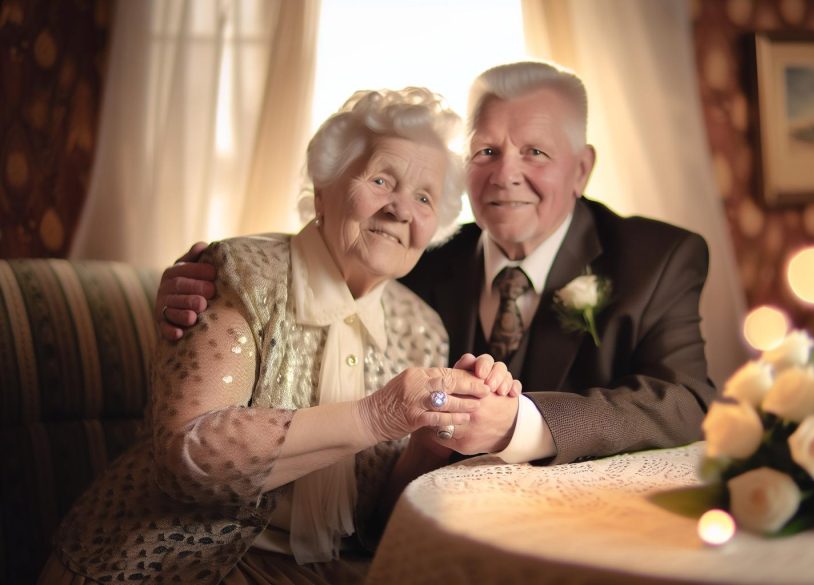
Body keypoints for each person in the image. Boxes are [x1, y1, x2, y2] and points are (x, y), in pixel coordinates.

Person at [40, 87, 518, 585]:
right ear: (325, 186)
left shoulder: (421, 328)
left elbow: (376, 523)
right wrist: (378, 415)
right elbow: (188, 455)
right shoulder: (238, 273)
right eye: (381, 179)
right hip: (180, 559)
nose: (400, 209)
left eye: (424, 197)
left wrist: (430, 444)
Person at [158, 61, 715, 468]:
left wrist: (523, 424)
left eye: (536, 153)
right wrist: (203, 278)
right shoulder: (413, 253)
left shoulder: (657, 258)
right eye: (486, 151)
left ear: (581, 169)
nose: (504, 175)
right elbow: (318, 256)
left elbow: (687, 403)